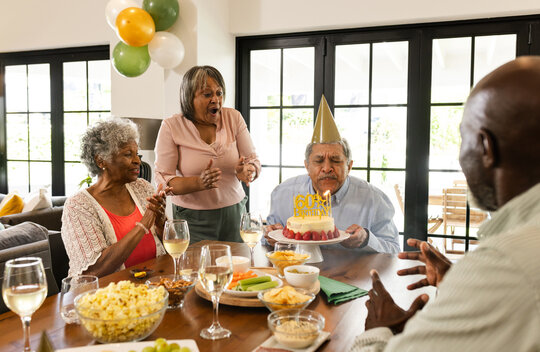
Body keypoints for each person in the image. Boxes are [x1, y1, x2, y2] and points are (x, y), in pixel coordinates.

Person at [348, 56, 540, 351]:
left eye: (462, 139)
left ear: (486, 147)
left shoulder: (505, 263)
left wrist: (378, 330)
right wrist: (463, 287)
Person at [266, 96, 400, 253]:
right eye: (319, 161)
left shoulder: (374, 200)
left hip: (354, 275)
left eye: (336, 161)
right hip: (295, 273)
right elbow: (267, 242)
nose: (327, 168)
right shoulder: (282, 194)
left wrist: (366, 239)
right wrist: (270, 235)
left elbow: (394, 250)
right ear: (307, 166)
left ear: (349, 166)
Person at [154, 65, 260, 244]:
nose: (216, 100)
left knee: (237, 269)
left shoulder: (233, 118)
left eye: (219, 93)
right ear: (189, 97)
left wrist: (249, 170)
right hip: (192, 219)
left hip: (234, 213)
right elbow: (163, 181)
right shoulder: (171, 126)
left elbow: (253, 160)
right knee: (196, 270)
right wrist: (198, 183)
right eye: (207, 94)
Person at [61, 118, 170, 277]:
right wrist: (144, 223)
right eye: (127, 154)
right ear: (101, 160)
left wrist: (161, 223)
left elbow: (171, 248)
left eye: (137, 154)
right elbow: (94, 271)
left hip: (153, 285)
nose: (137, 161)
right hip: (104, 296)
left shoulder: (142, 187)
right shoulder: (78, 206)